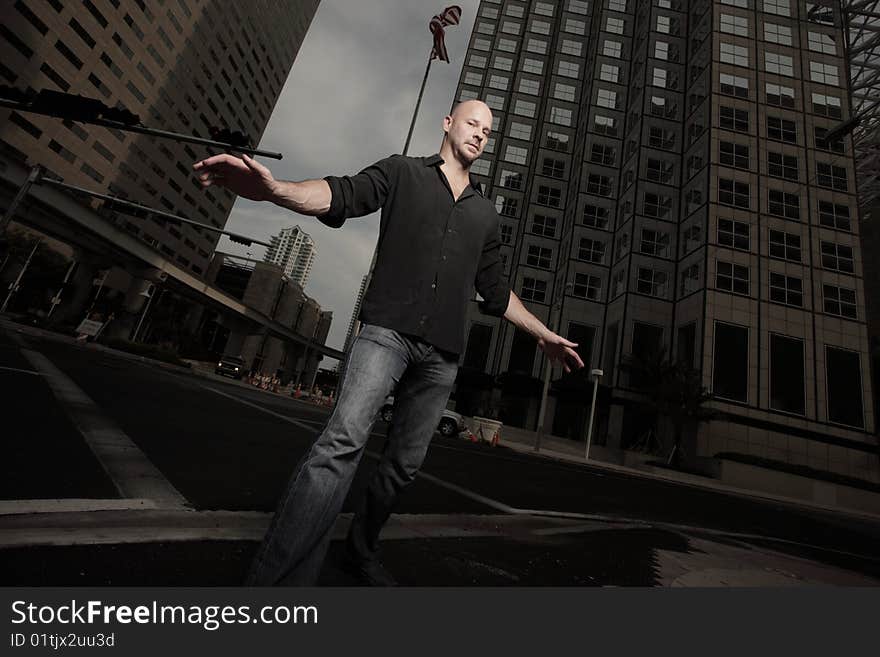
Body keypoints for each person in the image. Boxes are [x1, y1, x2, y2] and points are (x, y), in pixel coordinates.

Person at [193, 100, 585, 586]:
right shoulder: (402, 172)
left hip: (441, 356)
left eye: (488, 130)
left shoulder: (486, 215)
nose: (480, 134)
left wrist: (544, 334)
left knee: (403, 468)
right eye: (471, 123)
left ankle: (360, 551)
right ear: (448, 123)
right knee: (342, 443)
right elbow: (341, 194)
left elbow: (496, 291)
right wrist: (276, 190)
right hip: (386, 334)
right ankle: (276, 587)